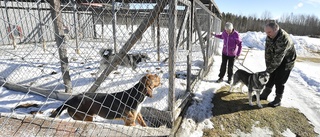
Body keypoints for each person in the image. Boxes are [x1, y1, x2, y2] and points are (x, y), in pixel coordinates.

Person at [259, 22, 296, 107]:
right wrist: (268, 68)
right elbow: (267, 53)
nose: (268, 35)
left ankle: (278, 99)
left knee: (279, 80)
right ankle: (265, 94)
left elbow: (278, 58)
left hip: (287, 61)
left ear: (276, 29)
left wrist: (268, 71)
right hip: (275, 58)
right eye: (266, 32)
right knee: (270, 76)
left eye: (269, 32)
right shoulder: (269, 36)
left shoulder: (283, 39)